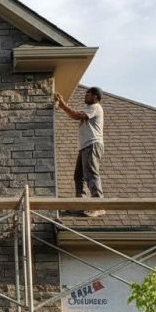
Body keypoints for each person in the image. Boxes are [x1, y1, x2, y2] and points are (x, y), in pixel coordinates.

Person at [54, 87, 105, 217]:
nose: (86, 96)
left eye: (88, 94)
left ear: (95, 97)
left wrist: (63, 105)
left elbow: (77, 116)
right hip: (85, 146)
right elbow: (74, 115)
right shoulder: (90, 107)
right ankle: (81, 204)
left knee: (91, 174)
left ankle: (98, 205)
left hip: (92, 144)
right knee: (79, 176)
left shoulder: (95, 107)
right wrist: (63, 106)